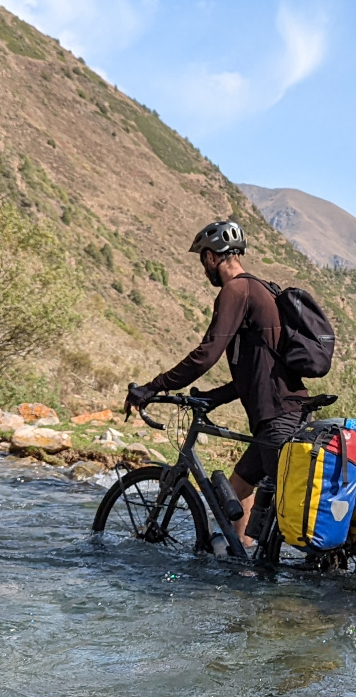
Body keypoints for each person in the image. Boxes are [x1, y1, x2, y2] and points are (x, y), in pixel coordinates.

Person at [126, 220, 307, 553]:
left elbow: (206, 354)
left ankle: (275, 579)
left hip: (276, 419)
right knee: (238, 489)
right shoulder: (260, 289)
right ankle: (240, 557)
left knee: (289, 513)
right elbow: (253, 375)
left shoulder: (236, 291)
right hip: (279, 415)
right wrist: (210, 397)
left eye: (202, 259)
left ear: (212, 257)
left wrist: (154, 387)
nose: (203, 267)